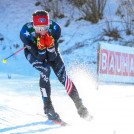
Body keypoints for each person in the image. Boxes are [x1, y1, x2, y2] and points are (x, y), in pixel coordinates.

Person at [20, 10, 92, 121]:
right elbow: (41, 58)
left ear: (49, 24)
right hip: (34, 53)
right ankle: (48, 106)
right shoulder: (26, 33)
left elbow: (52, 57)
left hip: (50, 51)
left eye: (45, 27)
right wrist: (41, 48)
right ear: (34, 27)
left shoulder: (55, 29)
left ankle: (80, 107)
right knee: (45, 70)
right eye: (39, 29)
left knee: (63, 76)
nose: (43, 31)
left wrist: (50, 46)